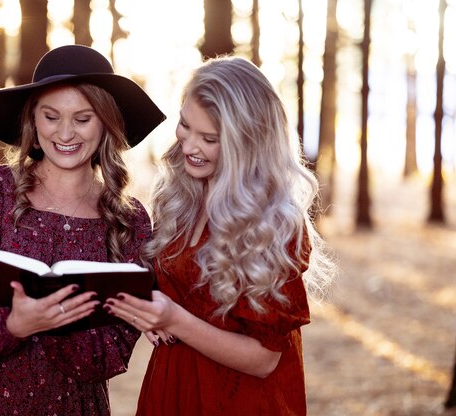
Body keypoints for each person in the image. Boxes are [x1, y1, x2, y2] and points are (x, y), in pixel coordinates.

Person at [0, 44, 165, 415]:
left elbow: (113, 353)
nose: (65, 133)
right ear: (32, 122)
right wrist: (14, 324)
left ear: (106, 124)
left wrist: (52, 325)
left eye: (83, 119)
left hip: (67, 402)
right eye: (51, 117)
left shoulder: (129, 221)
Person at [104, 56, 336, 415]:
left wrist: (173, 319)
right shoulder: (179, 200)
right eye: (185, 125)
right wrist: (147, 310)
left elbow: (264, 360)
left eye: (209, 138)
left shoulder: (274, 225)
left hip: (240, 401)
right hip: (172, 388)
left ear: (247, 143)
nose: (190, 146)